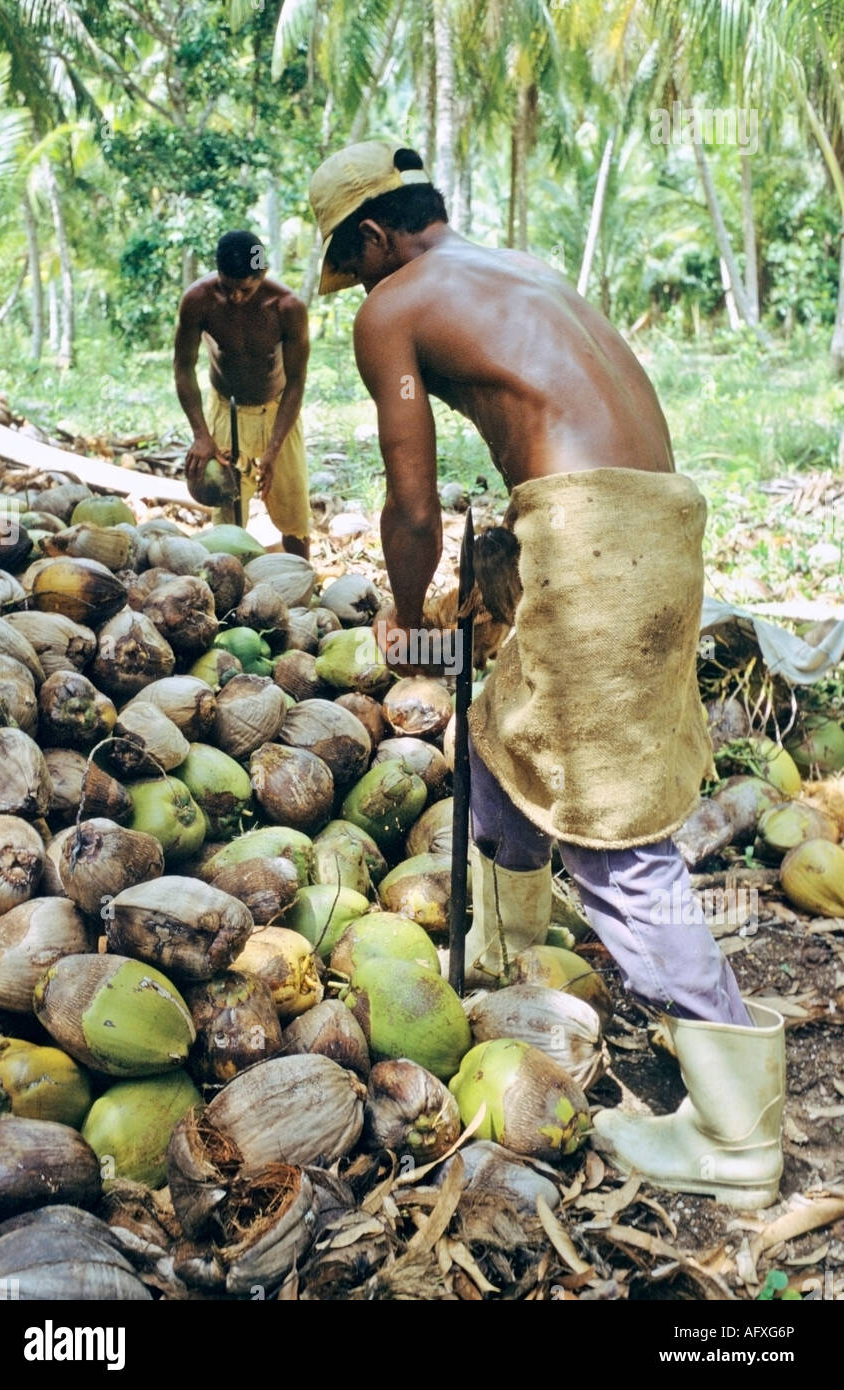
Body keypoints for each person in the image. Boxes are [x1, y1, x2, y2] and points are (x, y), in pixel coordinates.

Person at [308, 137, 785, 1211]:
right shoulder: (517, 268)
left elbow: (412, 502)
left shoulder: (393, 307)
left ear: (374, 237)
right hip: (651, 525)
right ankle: (505, 954)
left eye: (356, 263)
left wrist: (401, 614)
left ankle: (738, 1136)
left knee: (615, 839)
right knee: (500, 727)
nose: (362, 288)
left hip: (591, 539)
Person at [173, 230, 312, 557]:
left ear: (262, 274)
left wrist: (274, 449)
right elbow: (183, 367)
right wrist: (201, 436)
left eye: (245, 289)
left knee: (295, 516)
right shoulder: (199, 300)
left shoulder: (287, 307)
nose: (235, 297)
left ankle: (302, 589)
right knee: (227, 518)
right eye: (227, 286)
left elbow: (296, 382)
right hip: (227, 409)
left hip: (278, 411)